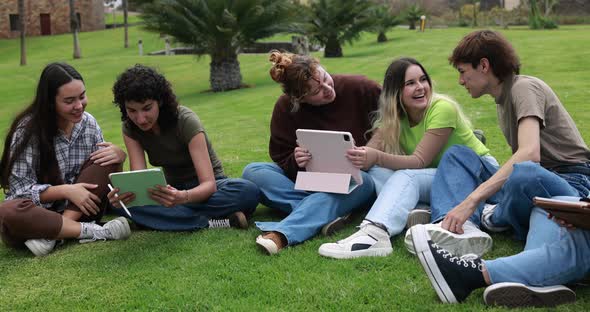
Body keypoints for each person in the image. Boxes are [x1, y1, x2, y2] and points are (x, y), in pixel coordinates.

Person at [410, 30, 590, 307]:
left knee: (525, 174)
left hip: (570, 182)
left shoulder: (524, 88)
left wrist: (473, 199)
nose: (460, 81)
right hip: (539, 183)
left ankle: (492, 218)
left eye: (462, 71)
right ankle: (454, 228)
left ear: (484, 65)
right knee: (459, 155)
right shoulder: (502, 99)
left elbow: (529, 154)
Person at [318, 57, 492, 259]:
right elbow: (368, 156)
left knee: (407, 176)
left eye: (423, 80)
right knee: (377, 172)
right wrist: (341, 155)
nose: (420, 87)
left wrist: (376, 157)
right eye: (410, 83)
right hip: (440, 179)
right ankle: (420, 213)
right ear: (396, 92)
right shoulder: (395, 118)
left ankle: (375, 235)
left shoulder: (442, 108)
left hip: (474, 175)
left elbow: (420, 161)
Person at [241, 51, 380, 255]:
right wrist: (296, 159)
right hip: (310, 181)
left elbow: (393, 119)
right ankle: (327, 212)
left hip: (353, 179)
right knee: (253, 171)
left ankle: (282, 233)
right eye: (316, 92)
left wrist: (371, 150)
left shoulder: (361, 87)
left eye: (325, 78)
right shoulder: (285, 108)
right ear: (299, 99)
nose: (327, 89)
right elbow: (281, 154)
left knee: (364, 182)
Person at [0, 63, 131, 257]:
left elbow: (101, 176)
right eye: (69, 101)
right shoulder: (27, 132)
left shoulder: (89, 124)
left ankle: (53, 236)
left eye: (82, 96)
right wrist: (67, 190)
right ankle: (96, 231)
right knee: (6, 211)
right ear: (50, 102)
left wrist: (120, 156)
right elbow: (19, 194)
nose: (79, 105)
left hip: (81, 209)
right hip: (36, 217)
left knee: (107, 157)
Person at [108, 64, 259, 231]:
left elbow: (209, 184)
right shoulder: (130, 127)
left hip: (209, 188)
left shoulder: (185, 121)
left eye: (147, 108)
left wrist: (183, 198)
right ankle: (214, 222)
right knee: (118, 205)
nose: (141, 119)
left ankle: (166, 219)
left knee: (247, 191)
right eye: (132, 111)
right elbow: (140, 181)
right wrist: (127, 197)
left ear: (160, 101)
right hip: (171, 189)